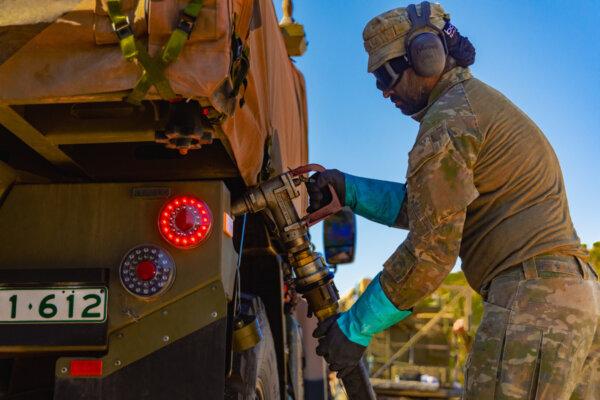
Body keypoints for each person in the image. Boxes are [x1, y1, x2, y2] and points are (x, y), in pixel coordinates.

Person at [308, 2, 600, 399]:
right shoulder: (475, 105)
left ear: (425, 56)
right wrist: (350, 190)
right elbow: (427, 210)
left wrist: (357, 325)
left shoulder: (449, 120)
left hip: (533, 305)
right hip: (574, 301)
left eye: (386, 74)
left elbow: (431, 250)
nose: (384, 91)